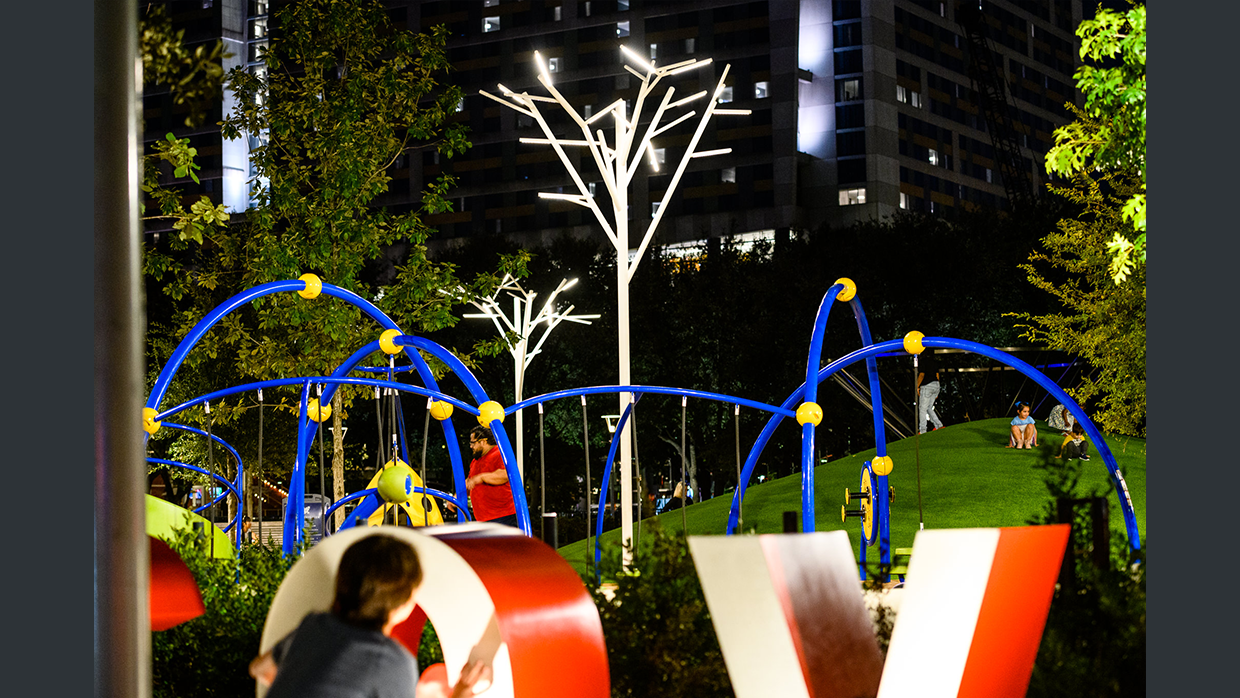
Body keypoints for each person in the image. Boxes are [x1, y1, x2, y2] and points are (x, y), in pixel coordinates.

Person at [248, 534, 486, 698]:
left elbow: (259, 669)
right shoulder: (390, 661)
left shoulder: (314, 625)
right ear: (403, 605)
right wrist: (461, 691)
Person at [465, 426, 518, 527]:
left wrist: (481, 477)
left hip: (503, 517)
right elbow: (471, 481)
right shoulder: (476, 461)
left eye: (473, 443)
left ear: (483, 441)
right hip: (483, 518)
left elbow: (505, 475)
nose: (471, 446)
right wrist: (457, 496)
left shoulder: (499, 453)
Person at [915, 350, 945, 434]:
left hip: (927, 386)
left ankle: (922, 430)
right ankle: (939, 425)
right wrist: (937, 390)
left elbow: (922, 374)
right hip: (936, 385)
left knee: (922, 409)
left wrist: (917, 386)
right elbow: (937, 375)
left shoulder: (923, 362)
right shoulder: (934, 362)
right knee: (929, 407)